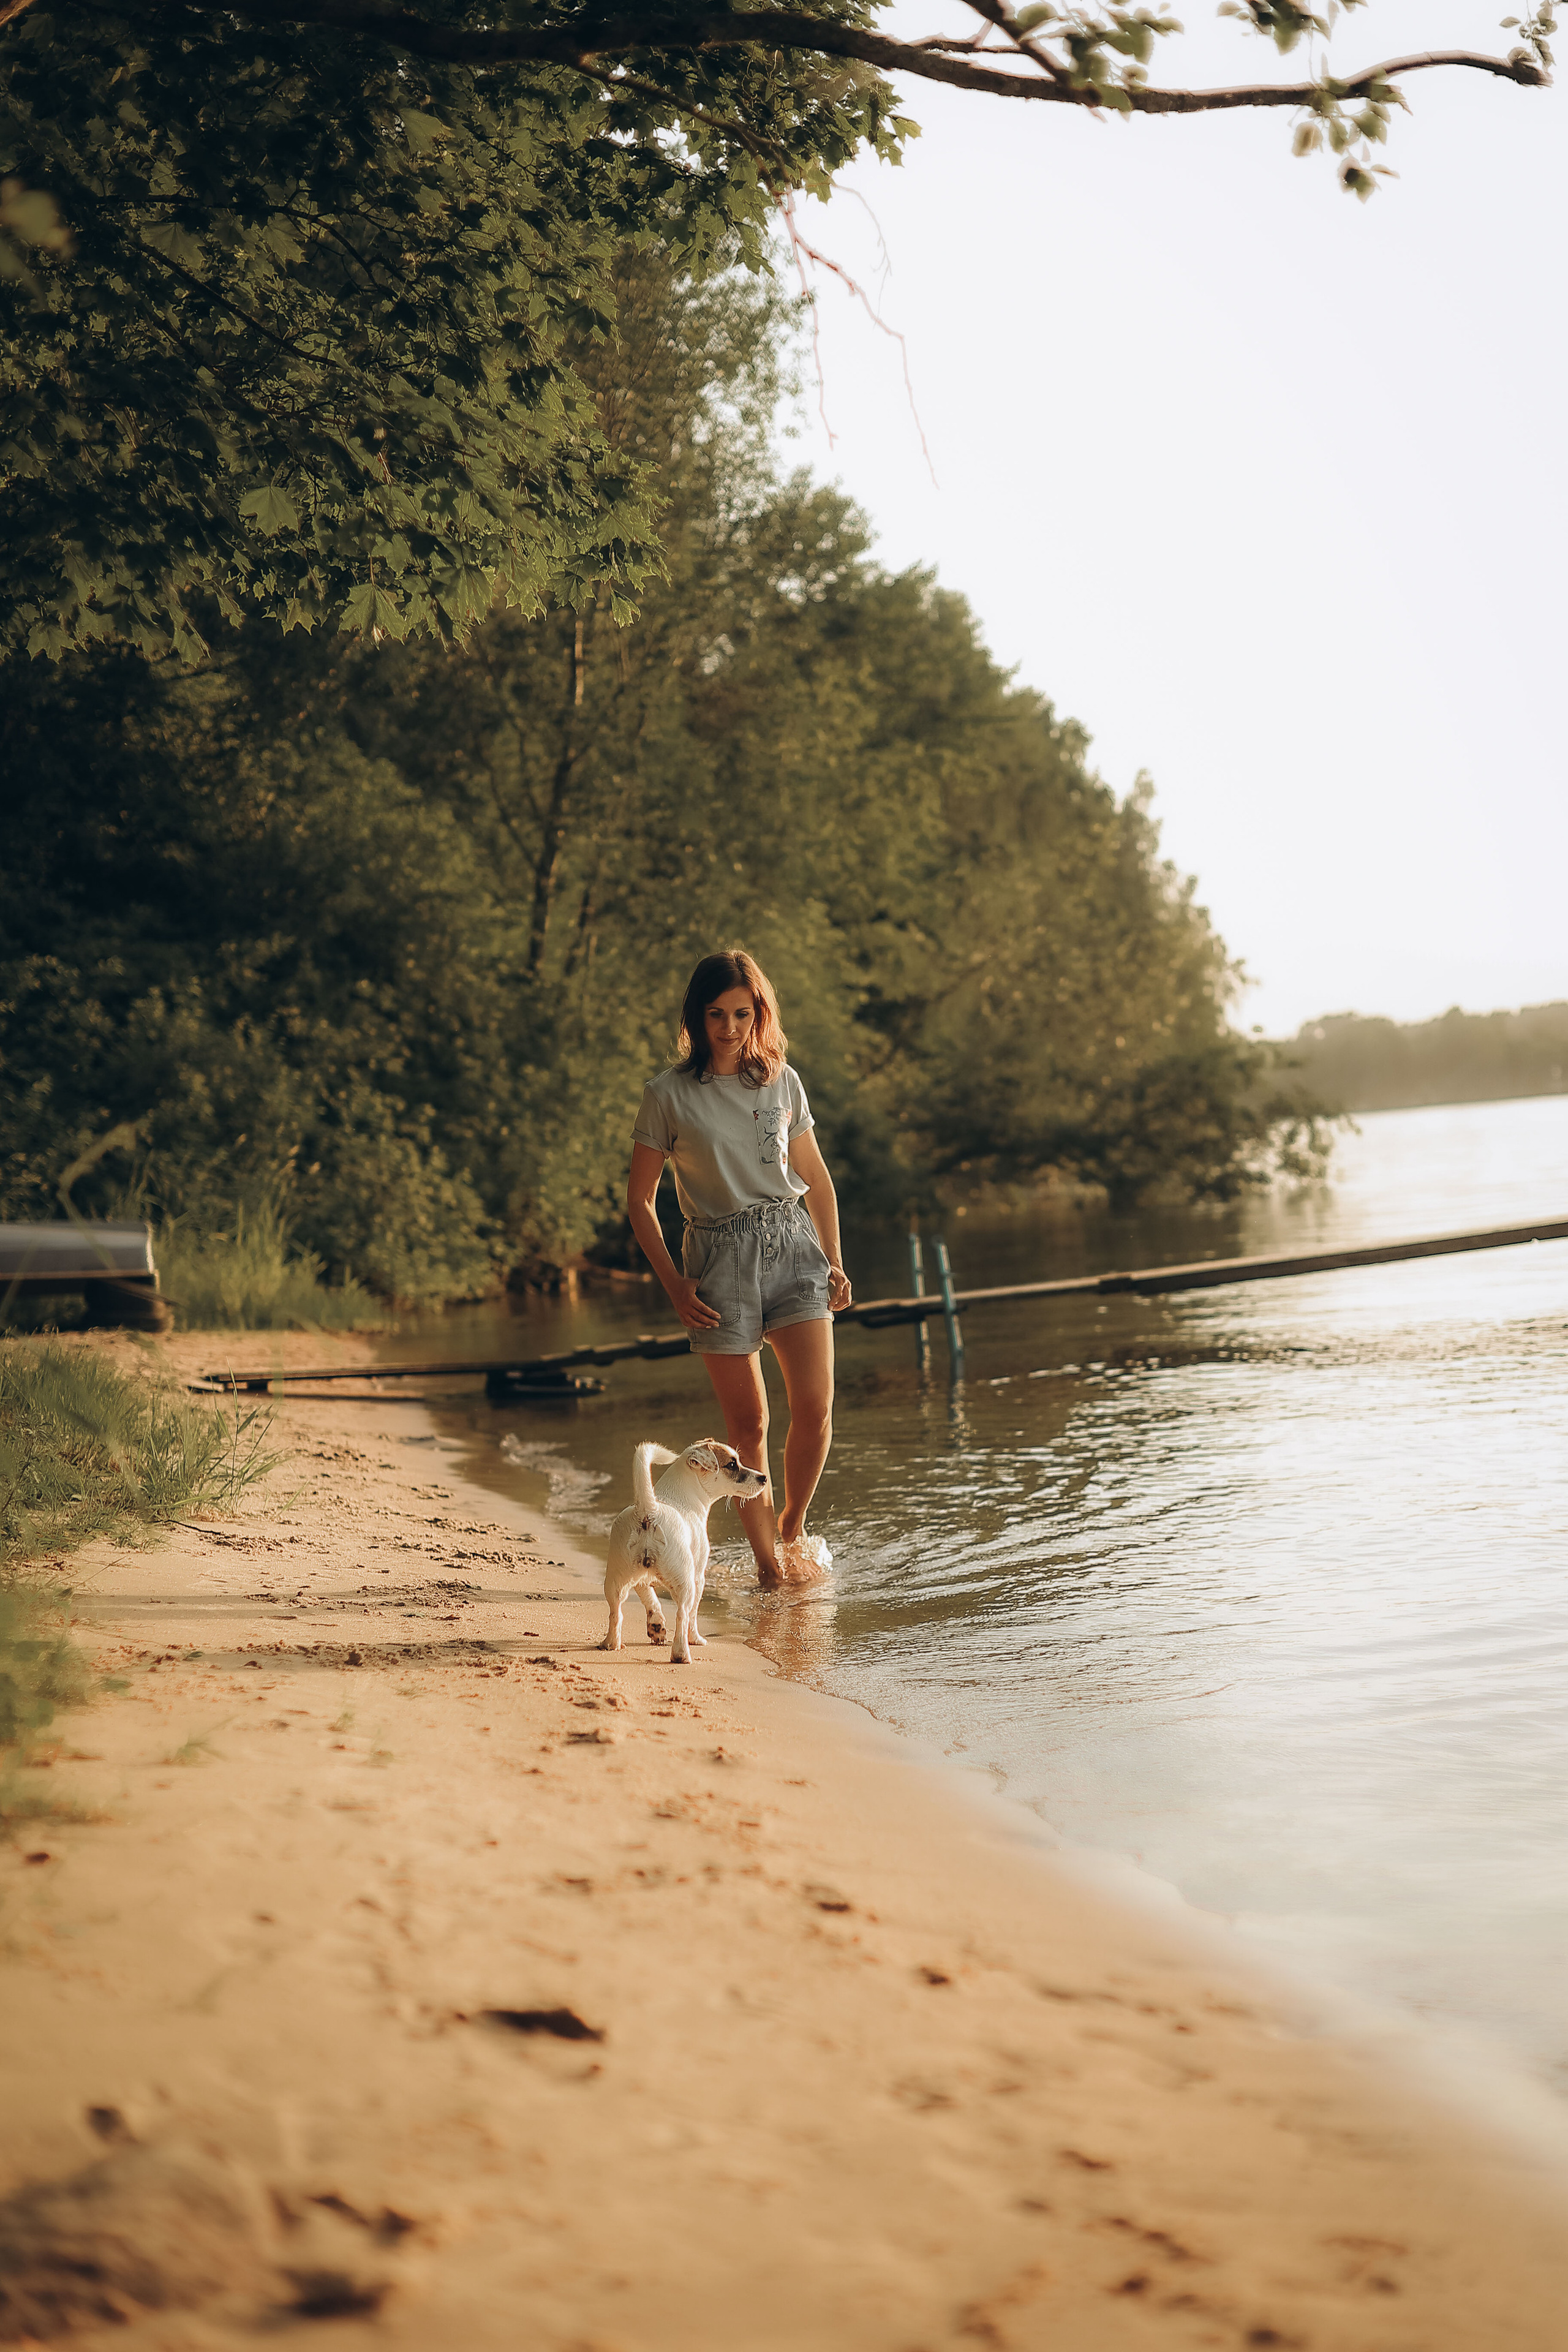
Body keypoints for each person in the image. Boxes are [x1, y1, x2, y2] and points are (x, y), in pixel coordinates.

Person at [627, 948, 852, 1588]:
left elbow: (817, 1181)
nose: (730, 1028)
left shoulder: (782, 1080)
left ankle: (790, 1529)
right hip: (717, 1258)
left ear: (760, 1014)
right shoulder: (667, 1095)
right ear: (697, 1018)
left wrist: (835, 1263)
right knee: (748, 1425)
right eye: (717, 1014)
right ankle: (768, 1572)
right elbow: (639, 1202)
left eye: (742, 1014)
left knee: (815, 1406)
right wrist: (673, 1283)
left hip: (793, 1244)